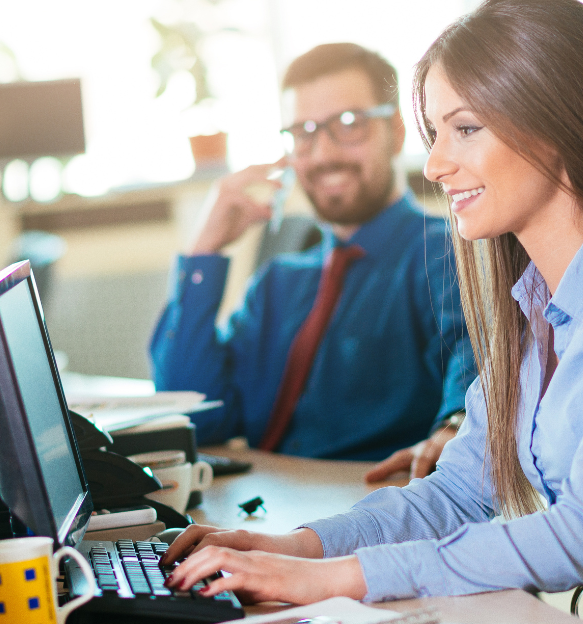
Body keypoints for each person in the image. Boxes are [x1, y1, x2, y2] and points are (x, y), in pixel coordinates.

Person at [158, 0, 583, 623]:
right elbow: (460, 491)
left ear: (552, 128)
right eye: (436, 133)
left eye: (464, 129)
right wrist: (295, 548)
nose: (436, 165)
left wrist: (331, 578)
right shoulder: (531, 296)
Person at [150, 43, 474, 475]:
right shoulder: (278, 284)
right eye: (303, 132)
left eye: (348, 124)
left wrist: (457, 426)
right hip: (268, 509)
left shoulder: (447, 254)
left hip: (369, 510)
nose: (322, 154)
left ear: (395, 132)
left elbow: (481, 356)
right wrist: (203, 253)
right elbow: (194, 418)